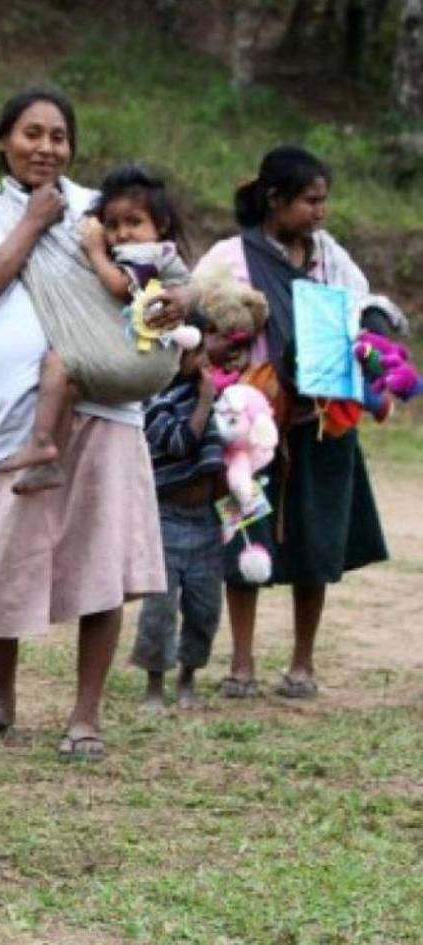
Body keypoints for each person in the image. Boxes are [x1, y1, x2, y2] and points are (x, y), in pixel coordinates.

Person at [0, 87, 185, 759]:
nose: (45, 147)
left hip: (104, 406)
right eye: (31, 133)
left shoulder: (97, 211)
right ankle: (1, 700)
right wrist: (30, 222)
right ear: (3, 141)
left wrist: (176, 302)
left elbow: (157, 266)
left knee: (99, 561)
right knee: (4, 557)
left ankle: (85, 715)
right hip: (17, 422)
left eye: (58, 136)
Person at [194, 145, 388, 699]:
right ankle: (242, 663)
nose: (320, 212)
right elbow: (199, 310)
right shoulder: (230, 256)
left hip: (323, 421)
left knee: (317, 541)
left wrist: (372, 327)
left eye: (324, 200)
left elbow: (362, 300)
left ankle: (302, 663)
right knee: (242, 535)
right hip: (249, 428)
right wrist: (219, 343)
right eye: (310, 200)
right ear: (275, 200)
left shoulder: (329, 256)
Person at [2, 164, 193, 493]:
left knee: (56, 363)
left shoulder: (149, 255)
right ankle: (51, 463)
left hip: (141, 360)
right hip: (143, 365)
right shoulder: (142, 252)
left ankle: (42, 441)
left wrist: (93, 250)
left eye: (134, 222)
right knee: (69, 387)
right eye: (114, 224)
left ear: (160, 225)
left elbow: (121, 287)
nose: (122, 233)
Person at [132, 337, 223, 711]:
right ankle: (155, 684)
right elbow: (181, 442)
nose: (205, 361)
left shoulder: (211, 397)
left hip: (207, 520)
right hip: (165, 518)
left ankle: (188, 677)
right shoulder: (153, 402)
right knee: (160, 607)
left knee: (205, 608)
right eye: (198, 354)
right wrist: (205, 400)